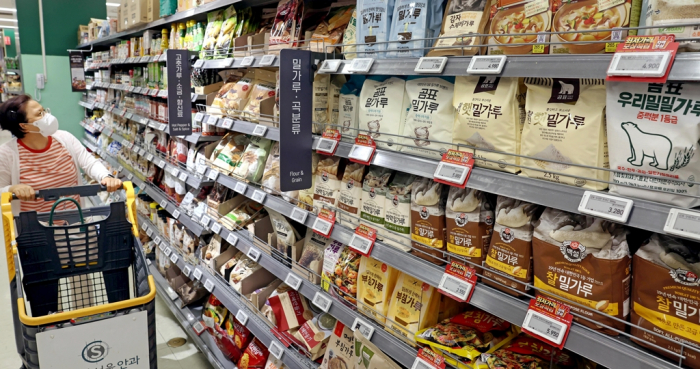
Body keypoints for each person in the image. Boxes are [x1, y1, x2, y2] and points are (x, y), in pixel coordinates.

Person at [0, 94, 122, 212]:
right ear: (24, 126)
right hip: (36, 229)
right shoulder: (6, 154)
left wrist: (106, 176)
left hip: (75, 223)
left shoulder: (65, 138)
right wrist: (11, 189)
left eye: (44, 111)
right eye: (40, 114)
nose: (47, 116)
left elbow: (89, 163)